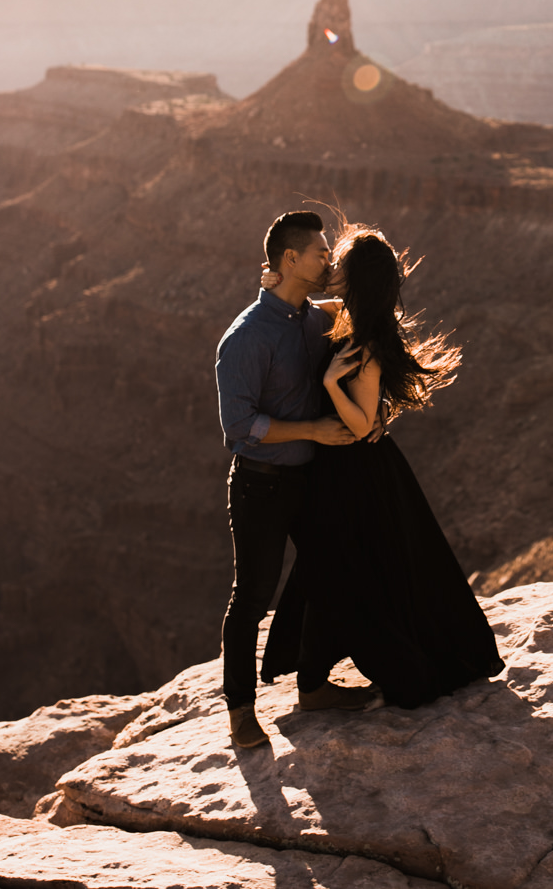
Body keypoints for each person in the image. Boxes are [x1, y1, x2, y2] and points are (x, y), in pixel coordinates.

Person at [257, 224, 504, 709]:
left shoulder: (366, 339)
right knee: (331, 566)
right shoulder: (348, 315)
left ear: (357, 278)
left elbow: (362, 420)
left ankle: (321, 684)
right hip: (335, 465)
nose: (331, 268)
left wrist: (331, 386)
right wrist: (274, 283)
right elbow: (308, 307)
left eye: (340, 264)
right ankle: (313, 684)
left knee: (335, 566)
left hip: (356, 472)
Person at [214, 210, 379, 750]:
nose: (327, 258)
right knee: (252, 596)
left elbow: (362, 308)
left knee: (326, 575)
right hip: (261, 484)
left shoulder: (311, 319)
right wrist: (311, 426)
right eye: (319, 252)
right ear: (290, 259)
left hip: (313, 480)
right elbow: (238, 426)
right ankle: (240, 711)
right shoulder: (244, 338)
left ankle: (313, 687)